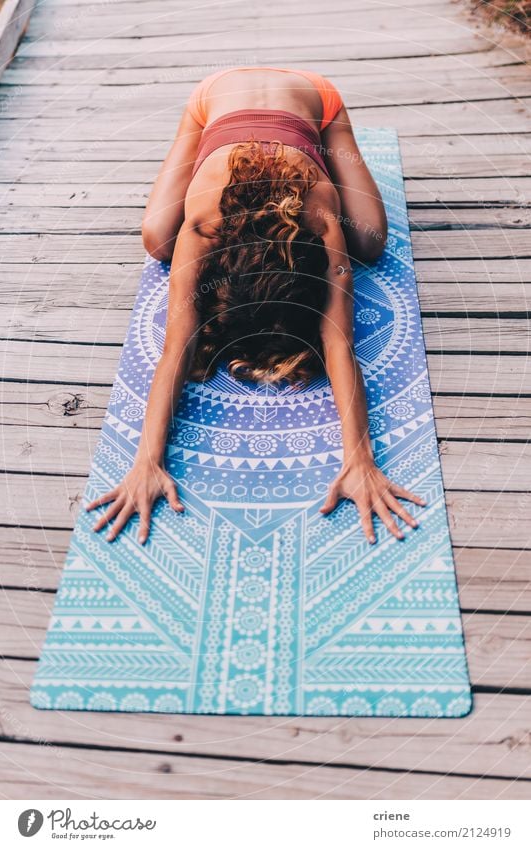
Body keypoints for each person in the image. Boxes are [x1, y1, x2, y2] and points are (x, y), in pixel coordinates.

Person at [87, 66, 426, 545]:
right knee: (158, 239)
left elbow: (337, 338)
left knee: (369, 242)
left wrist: (361, 459)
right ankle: (198, 126)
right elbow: (176, 345)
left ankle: (326, 128)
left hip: (316, 100)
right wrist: (145, 461)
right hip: (212, 101)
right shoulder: (204, 223)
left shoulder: (316, 208)